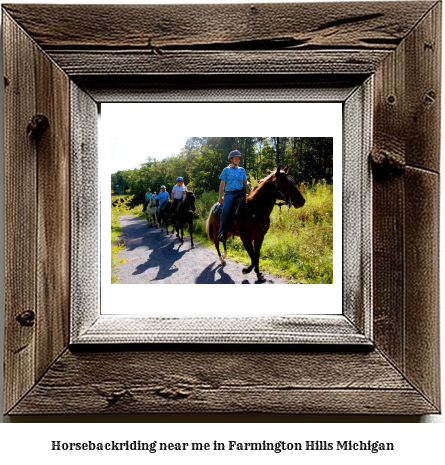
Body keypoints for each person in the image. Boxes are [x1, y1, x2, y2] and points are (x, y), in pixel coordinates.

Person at [218, 150, 251, 242]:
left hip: (241, 192)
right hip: (230, 193)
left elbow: (245, 181)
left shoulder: (242, 170)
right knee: (225, 210)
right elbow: (222, 184)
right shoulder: (226, 170)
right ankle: (222, 232)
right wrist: (220, 197)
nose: (238, 160)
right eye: (236, 158)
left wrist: (248, 183)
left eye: (238, 158)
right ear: (231, 159)